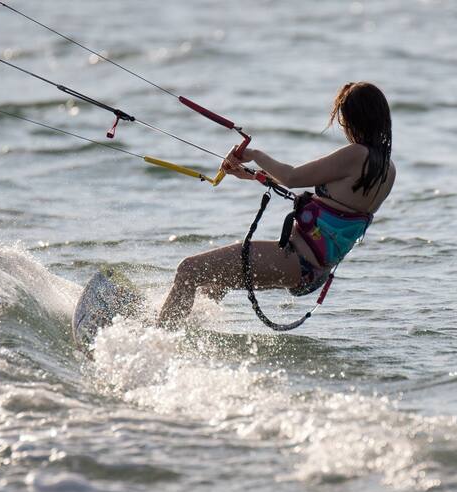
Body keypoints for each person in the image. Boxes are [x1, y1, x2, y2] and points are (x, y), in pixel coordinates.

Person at [157, 82, 396, 327]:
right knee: (214, 282)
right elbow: (333, 202)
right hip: (314, 272)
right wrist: (253, 175)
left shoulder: (356, 154)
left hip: (296, 259)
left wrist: (254, 155)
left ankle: (158, 337)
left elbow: (292, 177)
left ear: (352, 119)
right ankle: (187, 333)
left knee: (188, 270)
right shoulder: (387, 170)